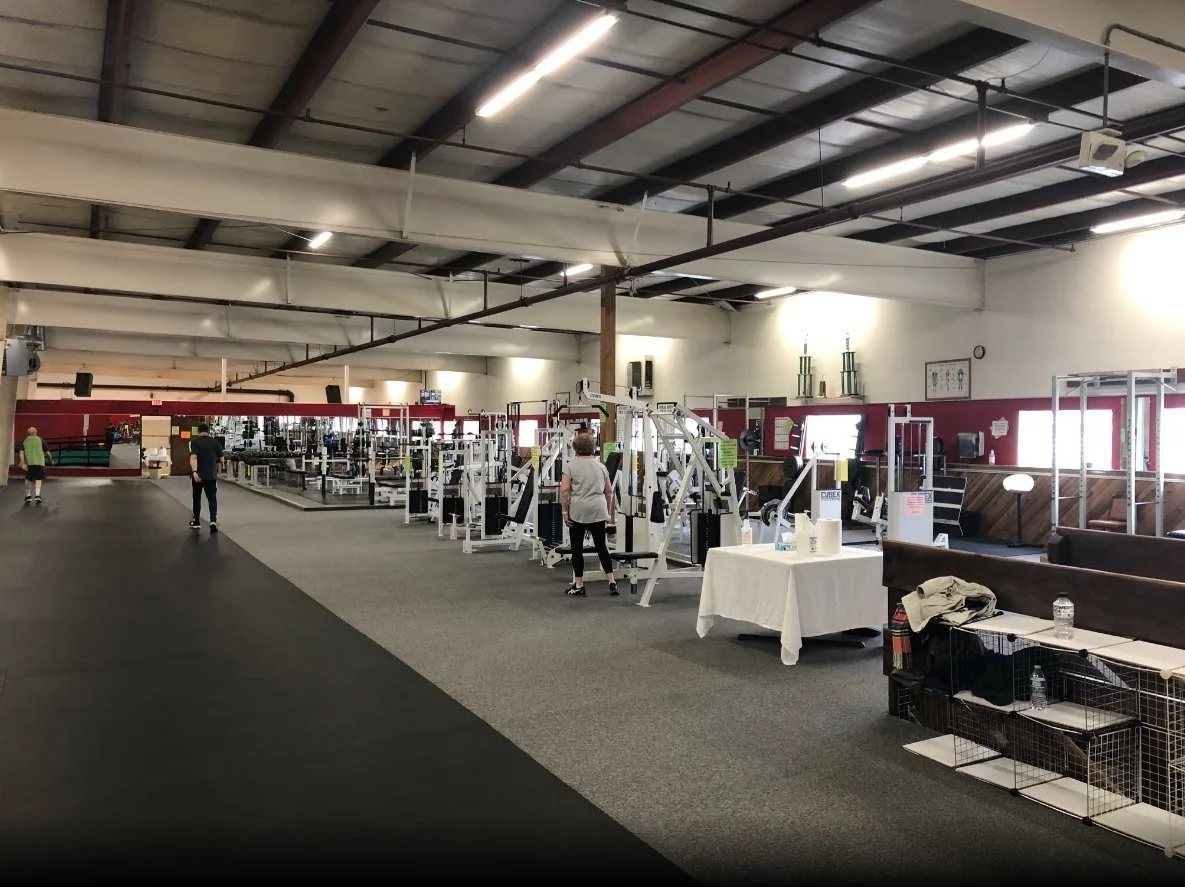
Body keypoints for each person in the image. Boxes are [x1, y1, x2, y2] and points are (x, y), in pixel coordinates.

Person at [560, 432, 618, 596]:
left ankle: (579, 584)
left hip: (579, 510)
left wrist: (565, 511)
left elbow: (564, 491)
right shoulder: (601, 466)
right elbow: (610, 492)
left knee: (577, 548)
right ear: (593, 447)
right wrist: (608, 513)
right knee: (602, 546)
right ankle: (612, 581)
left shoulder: (570, 466)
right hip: (598, 509)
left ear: (575, 448)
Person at [189, 423, 224, 533]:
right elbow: (222, 460)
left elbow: (194, 457)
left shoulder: (194, 442)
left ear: (198, 431)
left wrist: (194, 472)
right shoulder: (216, 442)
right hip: (211, 476)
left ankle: (197, 522)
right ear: (208, 431)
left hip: (198, 476)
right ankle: (213, 521)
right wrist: (215, 465)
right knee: (212, 498)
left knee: (197, 497)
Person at [18, 426, 51, 505]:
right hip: (39, 463)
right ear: (36, 432)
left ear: (28, 433)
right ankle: (37, 495)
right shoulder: (41, 440)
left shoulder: (24, 441)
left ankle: (28, 496)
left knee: (28, 479)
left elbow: (21, 453)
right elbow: (47, 453)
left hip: (29, 463)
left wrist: (23, 463)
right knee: (38, 479)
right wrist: (50, 460)